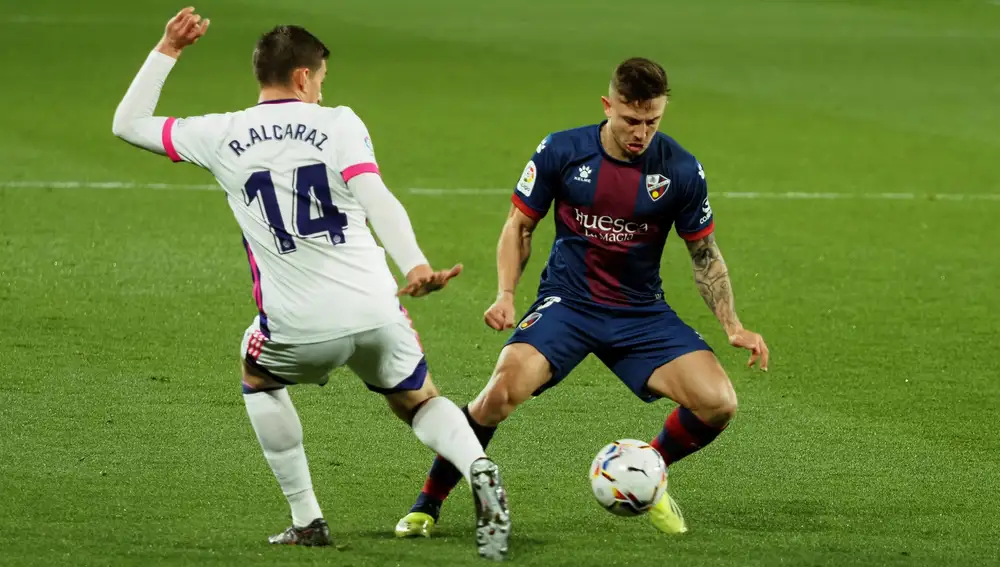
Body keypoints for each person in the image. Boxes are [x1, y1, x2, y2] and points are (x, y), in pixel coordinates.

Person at [111, 8, 511, 560]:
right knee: (419, 400)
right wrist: (415, 265)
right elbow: (376, 197)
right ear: (303, 77)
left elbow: (127, 124)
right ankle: (478, 465)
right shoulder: (341, 122)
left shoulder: (218, 133)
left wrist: (168, 49)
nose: (323, 89)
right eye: (321, 78)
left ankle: (307, 519)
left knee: (257, 374)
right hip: (378, 309)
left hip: (299, 324)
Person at [395, 56, 768, 538]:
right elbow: (520, 227)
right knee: (497, 398)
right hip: (568, 304)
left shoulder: (680, 169)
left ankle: (648, 475)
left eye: (653, 121)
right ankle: (427, 504)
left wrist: (733, 325)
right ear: (607, 106)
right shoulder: (562, 150)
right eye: (631, 120)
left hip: (640, 311)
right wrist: (506, 293)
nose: (641, 133)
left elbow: (704, 254)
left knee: (718, 403)